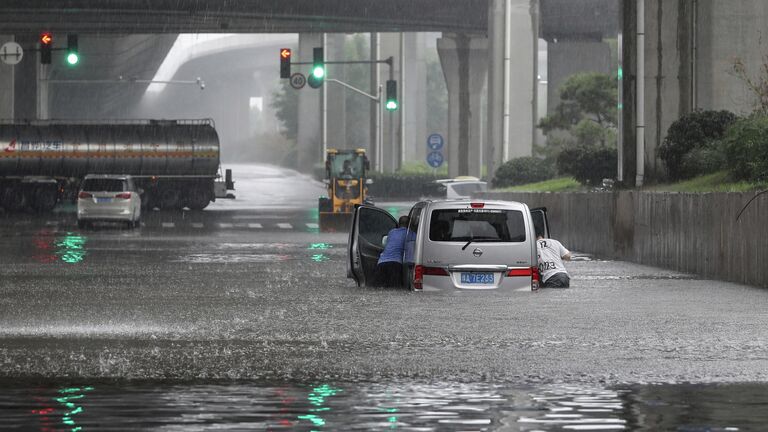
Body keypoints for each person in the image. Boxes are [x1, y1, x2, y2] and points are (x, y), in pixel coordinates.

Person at [375, 216, 409, 287]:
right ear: (409, 224)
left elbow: (386, 243)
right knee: (394, 289)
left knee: (380, 289)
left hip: (381, 263)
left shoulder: (391, 232)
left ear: (399, 224)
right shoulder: (409, 234)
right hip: (395, 264)